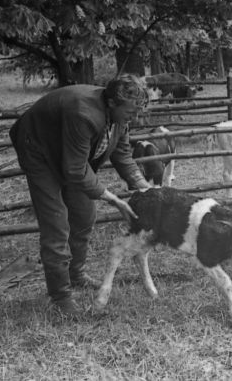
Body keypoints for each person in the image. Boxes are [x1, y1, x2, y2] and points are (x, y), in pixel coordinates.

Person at [9, 74, 152, 317]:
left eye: (137, 112)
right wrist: (114, 199)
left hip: (68, 154)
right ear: (111, 104)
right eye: (130, 112)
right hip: (38, 149)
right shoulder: (83, 114)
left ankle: (75, 274)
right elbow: (75, 169)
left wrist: (143, 187)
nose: (134, 118)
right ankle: (60, 297)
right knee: (57, 222)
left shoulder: (120, 118)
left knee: (85, 214)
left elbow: (123, 155)